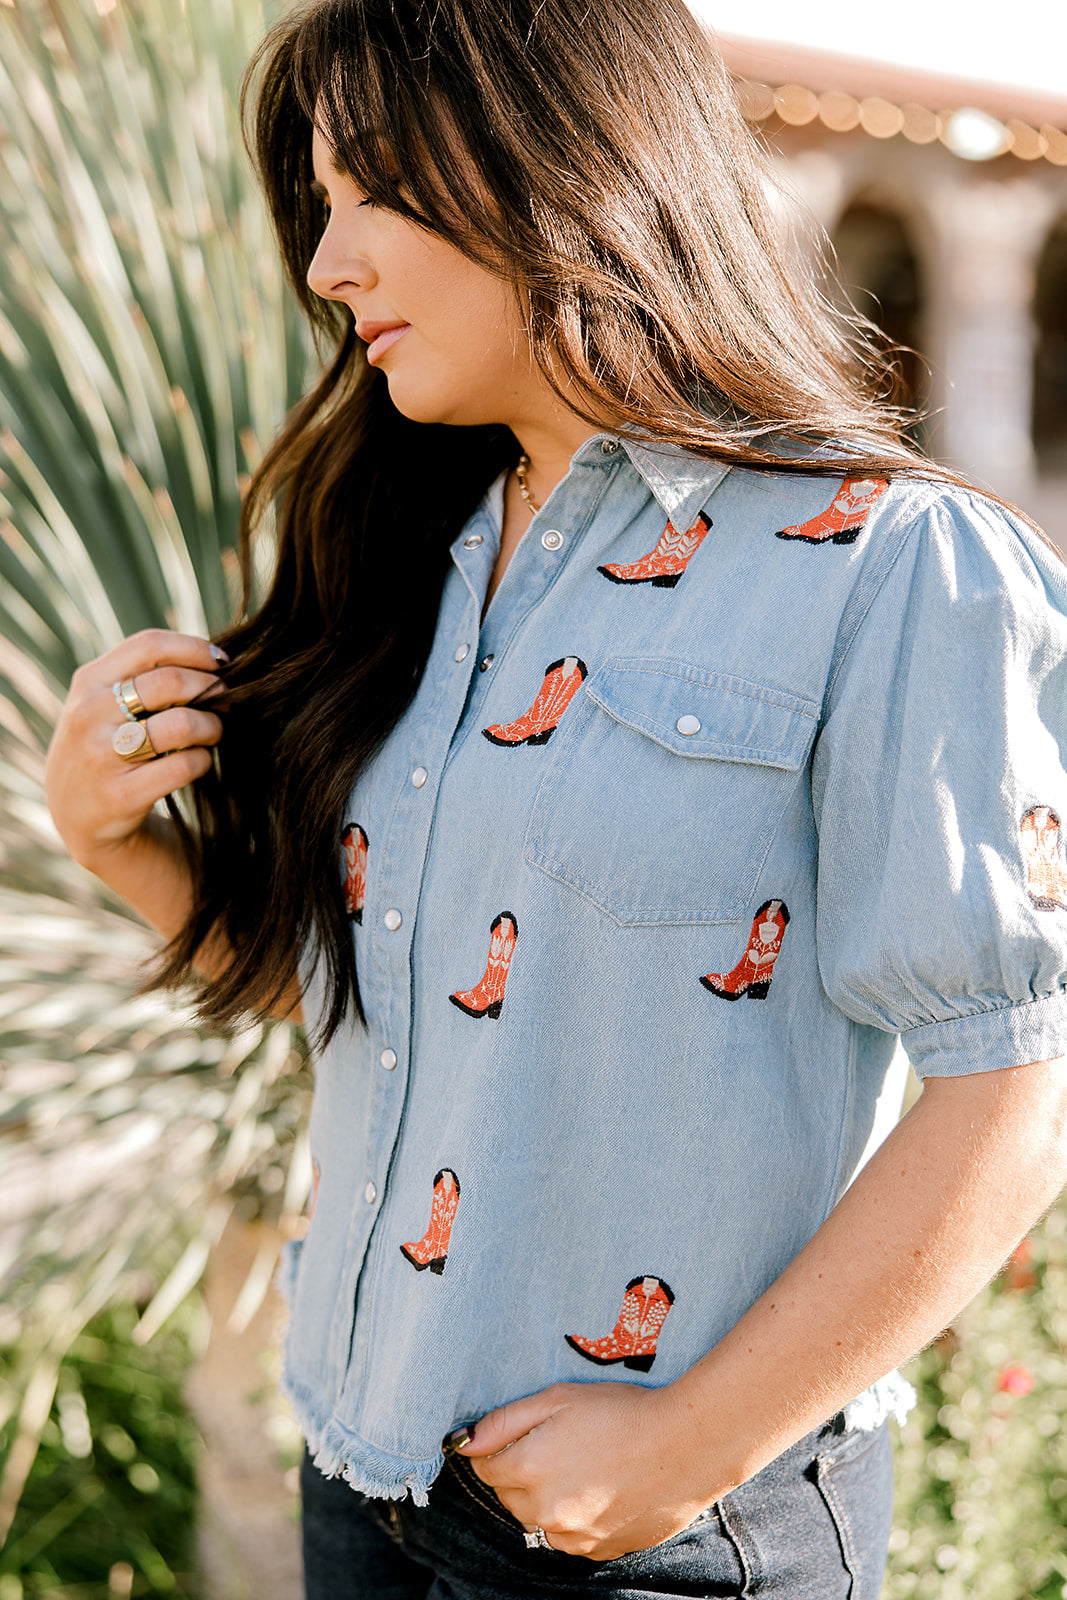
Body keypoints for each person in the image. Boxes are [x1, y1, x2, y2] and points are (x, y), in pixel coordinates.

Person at [44, 0, 1067, 1594]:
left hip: (658, 1545)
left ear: (559, 160)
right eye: (320, 210)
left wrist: (690, 1448)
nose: (327, 265)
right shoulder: (422, 559)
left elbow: (1015, 1082)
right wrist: (112, 841)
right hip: (363, 1473)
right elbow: (382, 1006)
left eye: (371, 190)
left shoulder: (892, 567)